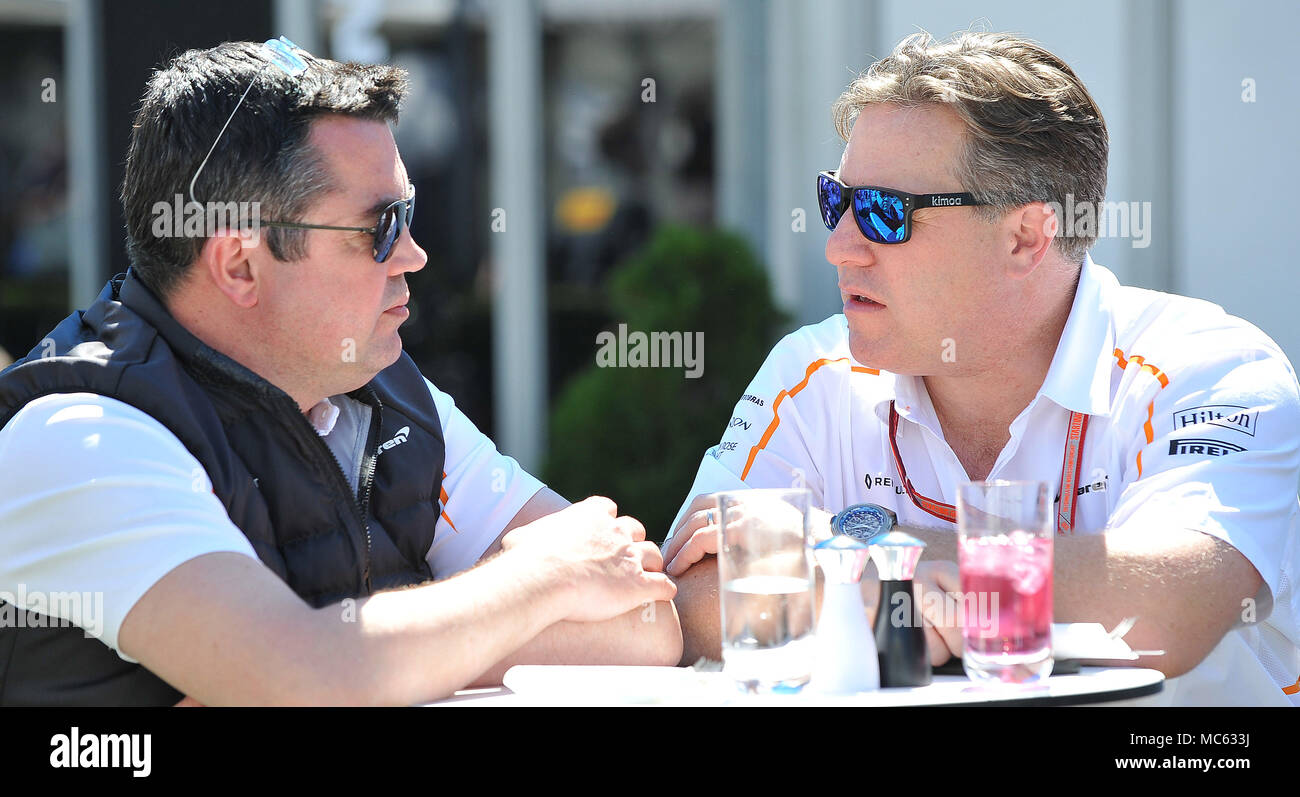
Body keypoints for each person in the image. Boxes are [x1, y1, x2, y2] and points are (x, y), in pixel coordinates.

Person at [0, 39, 679, 706]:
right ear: (239, 264)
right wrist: (541, 578)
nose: (413, 254)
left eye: (407, 214)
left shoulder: (390, 392)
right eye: (381, 224)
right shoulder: (79, 433)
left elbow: (646, 621)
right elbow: (301, 680)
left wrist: (360, 663)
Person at [663, 30, 1300, 705]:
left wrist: (866, 553)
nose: (840, 247)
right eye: (836, 201)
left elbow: (1166, 604)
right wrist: (894, 605)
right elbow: (694, 599)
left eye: (884, 214)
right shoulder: (811, 372)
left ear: (1025, 236)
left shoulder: (1212, 366)